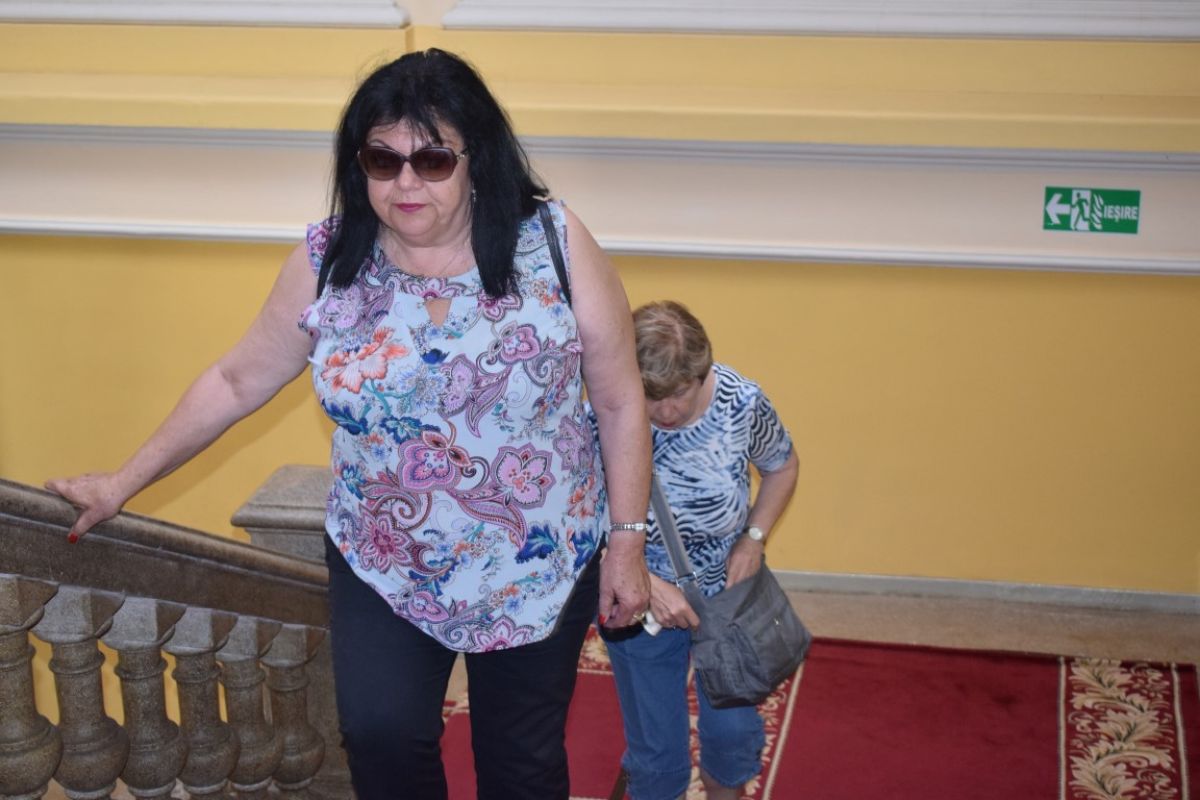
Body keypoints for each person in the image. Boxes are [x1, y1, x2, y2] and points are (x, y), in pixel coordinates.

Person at [46, 48, 652, 800]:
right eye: (382, 160)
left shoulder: (553, 242)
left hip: (536, 557)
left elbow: (620, 400)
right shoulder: (329, 260)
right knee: (379, 737)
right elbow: (235, 381)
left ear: (477, 160)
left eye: (433, 160)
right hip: (384, 558)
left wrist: (628, 544)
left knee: (520, 763)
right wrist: (121, 482)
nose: (405, 184)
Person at [599, 300, 799, 800]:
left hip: (728, 597)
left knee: (733, 738)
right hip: (637, 602)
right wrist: (646, 581)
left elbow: (782, 466)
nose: (668, 412)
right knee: (658, 759)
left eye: (680, 393)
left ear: (702, 372)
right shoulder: (602, 412)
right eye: (652, 397)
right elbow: (575, 520)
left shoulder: (740, 402)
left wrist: (753, 539)